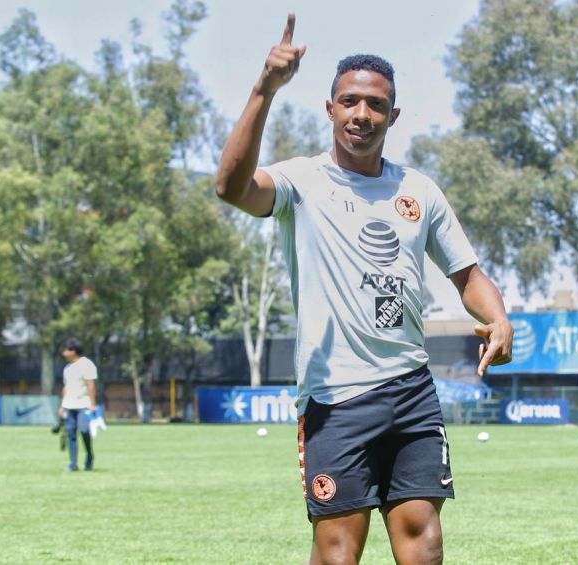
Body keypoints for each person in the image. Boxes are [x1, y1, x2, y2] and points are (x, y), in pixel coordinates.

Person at [216, 13, 513, 564]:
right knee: (337, 551)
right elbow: (231, 187)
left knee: (424, 539)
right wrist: (264, 88)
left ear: (393, 115)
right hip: (335, 399)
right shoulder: (301, 182)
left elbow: (467, 275)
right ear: (330, 109)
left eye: (375, 104)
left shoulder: (418, 190)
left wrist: (497, 317)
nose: (362, 113)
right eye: (349, 101)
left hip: (411, 390)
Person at [57, 337, 98, 471]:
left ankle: (89, 456)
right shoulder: (67, 368)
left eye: (66, 349)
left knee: (84, 430)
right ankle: (73, 464)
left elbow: (90, 385)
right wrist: (62, 405)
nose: (63, 352)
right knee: (71, 434)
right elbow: (66, 387)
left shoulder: (86, 364)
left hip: (83, 404)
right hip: (70, 405)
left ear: (73, 351)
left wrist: (92, 404)